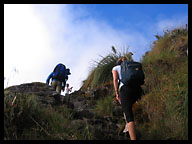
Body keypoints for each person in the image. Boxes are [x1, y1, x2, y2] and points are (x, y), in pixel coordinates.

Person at [112, 57, 142, 140]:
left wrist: (116, 92)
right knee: (128, 108)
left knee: (129, 115)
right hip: (137, 88)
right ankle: (127, 126)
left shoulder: (116, 68)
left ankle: (133, 137)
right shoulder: (131, 66)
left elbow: (115, 79)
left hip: (125, 89)